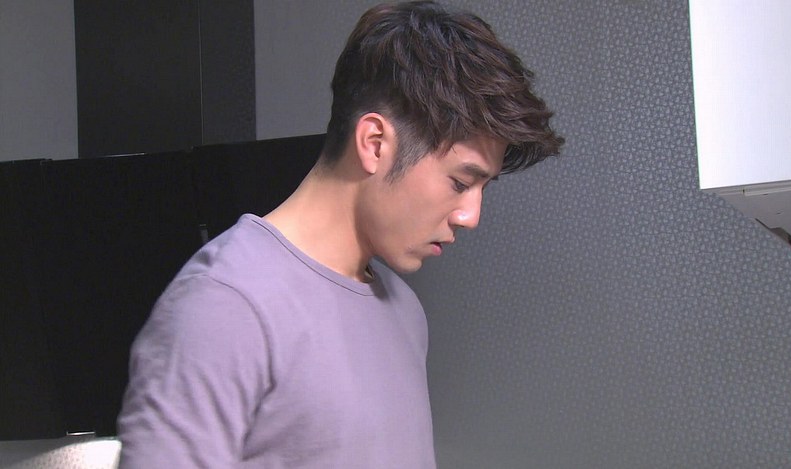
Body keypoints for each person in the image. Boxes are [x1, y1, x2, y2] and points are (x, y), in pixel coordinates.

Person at [116, 1, 564, 467]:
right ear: (375, 143)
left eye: (484, 187)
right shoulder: (227, 306)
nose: (471, 216)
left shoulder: (404, 310)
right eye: (460, 182)